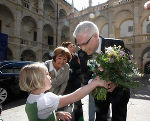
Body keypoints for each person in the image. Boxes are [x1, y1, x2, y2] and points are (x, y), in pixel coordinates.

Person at [73, 21, 130, 121]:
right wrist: (94, 82)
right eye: (79, 45)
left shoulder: (116, 44)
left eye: (85, 43)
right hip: (99, 94)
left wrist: (115, 82)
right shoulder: (82, 53)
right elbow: (84, 75)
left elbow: (127, 69)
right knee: (100, 118)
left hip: (120, 92)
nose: (82, 48)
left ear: (95, 36)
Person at [19, 62, 109, 121]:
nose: (50, 75)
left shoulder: (32, 98)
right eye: (46, 74)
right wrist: (94, 84)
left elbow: (40, 114)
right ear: (37, 80)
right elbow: (75, 96)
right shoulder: (46, 99)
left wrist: (55, 114)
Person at [62, 42, 83, 121]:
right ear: (66, 48)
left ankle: (79, 119)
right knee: (66, 105)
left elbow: (80, 68)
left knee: (78, 104)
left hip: (76, 84)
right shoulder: (63, 58)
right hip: (66, 86)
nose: (73, 47)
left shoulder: (75, 56)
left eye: (73, 45)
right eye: (70, 46)